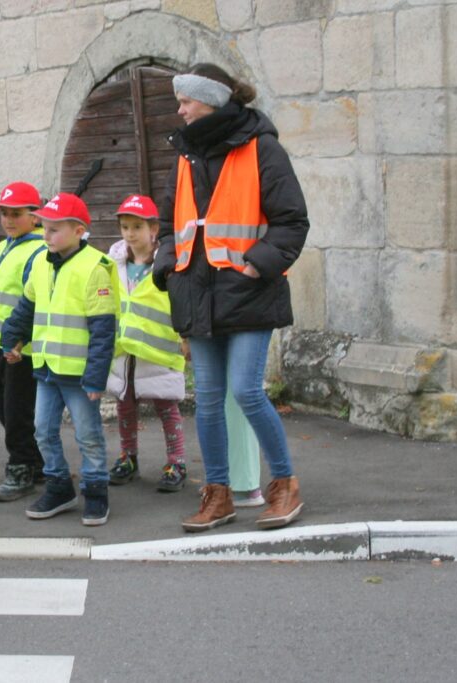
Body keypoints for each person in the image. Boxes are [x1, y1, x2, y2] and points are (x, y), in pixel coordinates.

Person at [152, 63, 309, 532]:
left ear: (213, 101)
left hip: (248, 289)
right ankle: (217, 494)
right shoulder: (185, 155)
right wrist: (166, 265)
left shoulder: (262, 147)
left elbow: (292, 220)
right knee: (210, 398)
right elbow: (168, 223)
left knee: (245, 390)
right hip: (196, 292)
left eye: (186, 101)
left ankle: (285, 484)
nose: (179, 110)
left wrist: (259, 262)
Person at [1, 192, 118, 526]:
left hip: (80, 375)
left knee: (88, 434)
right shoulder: (40, 262)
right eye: (45, 228)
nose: (46, 235)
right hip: (48, 368)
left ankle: (95, 491)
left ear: (79, 231)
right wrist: (13, 339)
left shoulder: (94, 267)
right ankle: (59, 487)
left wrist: (96, 377)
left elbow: (102, 330)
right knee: (42, 431)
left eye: (54, 230)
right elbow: (26, 309)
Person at [106, 195, 188, 492]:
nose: (130, 233)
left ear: (154, 228)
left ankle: (176, 461)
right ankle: (128, 457)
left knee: (167, 407)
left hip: (158, 350)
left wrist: (184, 337)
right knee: (124, 406)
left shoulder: (166, 263)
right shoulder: (114, 262)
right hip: (125, 350)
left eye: (137, 226)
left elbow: (179, 301)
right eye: (125, 226)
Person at [0, 182, 48, 502]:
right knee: (2, 405)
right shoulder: (4, 246)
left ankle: (21, 466)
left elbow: (31, 302)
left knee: (17, 410)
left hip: (21, 350)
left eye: (17, 214)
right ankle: (36, 460)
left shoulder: (37, 252)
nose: (9, 220)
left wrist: (20, 341)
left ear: (35, 217)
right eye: (5, 214)